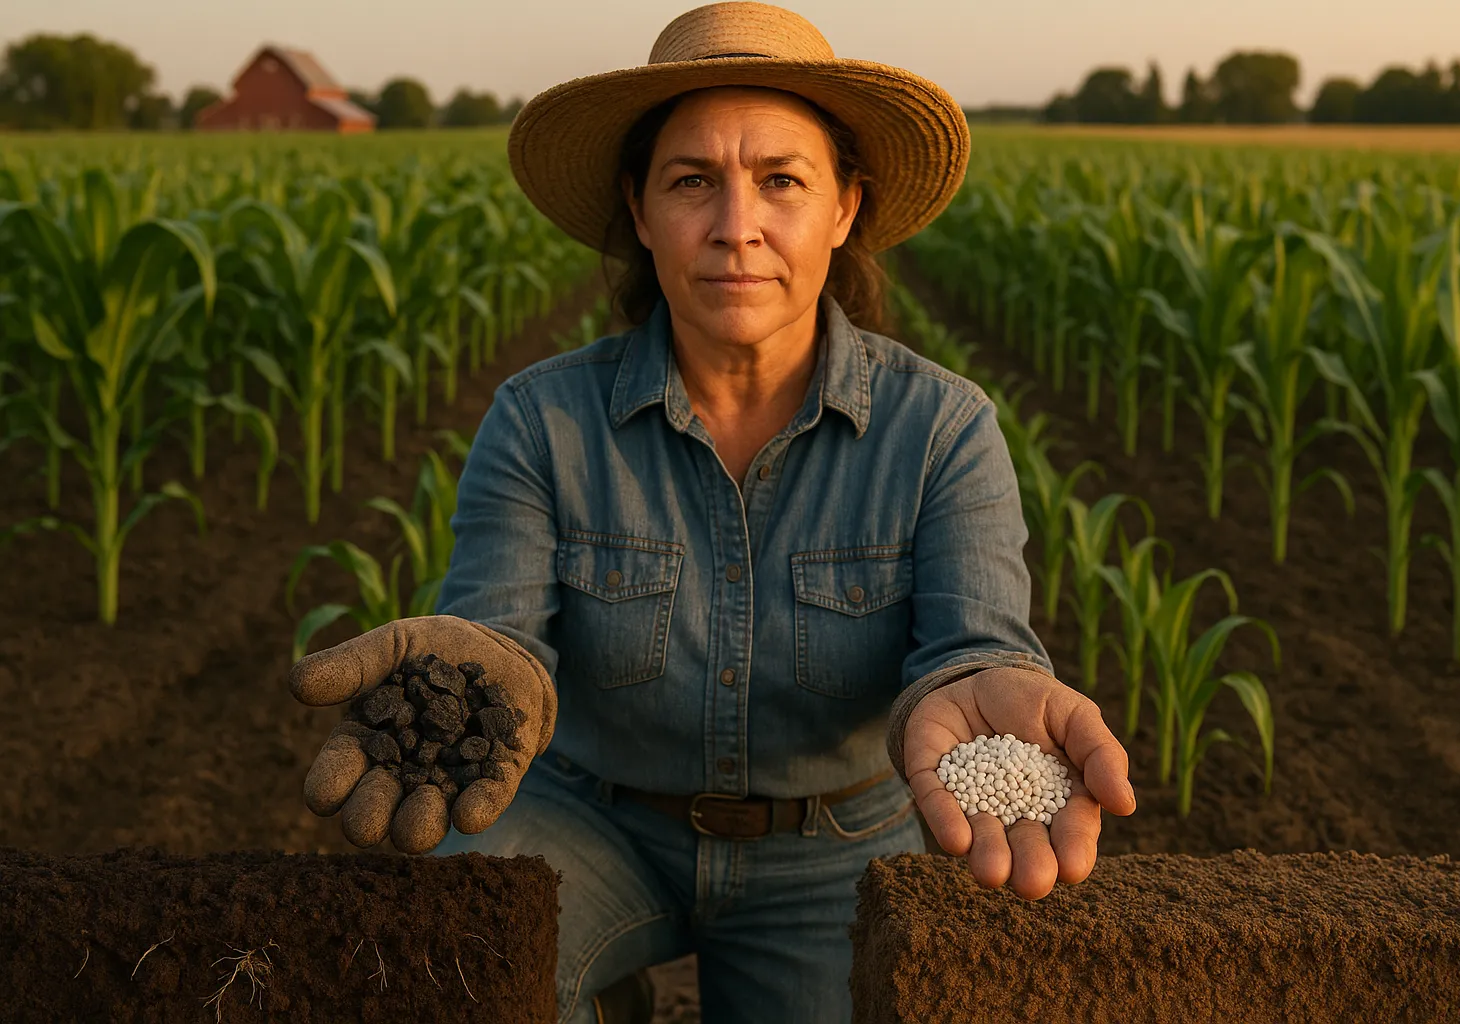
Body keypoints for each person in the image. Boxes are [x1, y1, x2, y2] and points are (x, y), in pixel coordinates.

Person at [289, 3, 1137, 1022]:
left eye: (782, 179)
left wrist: (985, 684)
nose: (736, 224)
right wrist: (487, 664)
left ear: (844, 208)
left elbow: (974, 644)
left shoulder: (943, 429)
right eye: (692, 181)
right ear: (641, 213)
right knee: (459, 961)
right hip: (592, 825)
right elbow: (496, 627)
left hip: (834, 850)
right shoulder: (543, 418)